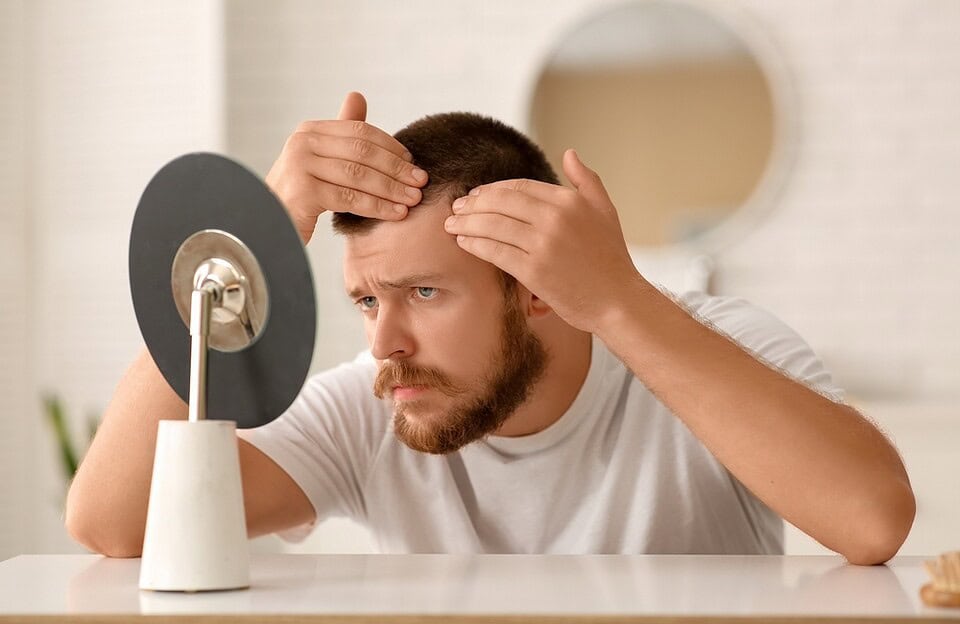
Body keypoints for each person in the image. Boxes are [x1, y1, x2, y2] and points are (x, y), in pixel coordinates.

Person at [65, 92, 914, 564]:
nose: (383, 342)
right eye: (368, 301)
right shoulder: (378, 405)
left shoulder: (708, 348)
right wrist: (249, 245)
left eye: (424, 293)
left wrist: (618, 300)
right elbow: (113, 523)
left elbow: (874, 521)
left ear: (536, 288)